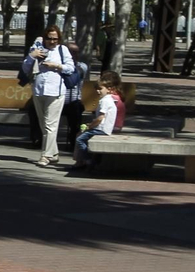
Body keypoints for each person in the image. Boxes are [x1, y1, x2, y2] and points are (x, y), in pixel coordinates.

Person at [25, 26, 74, 166]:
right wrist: (31, 56)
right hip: (39, 89)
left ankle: (46, 155)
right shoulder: (37, 49)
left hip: (56, 91)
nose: (52, 41)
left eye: (55, 39)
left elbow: (71, 67)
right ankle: (54, 153)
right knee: (43, 124)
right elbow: (25, 68)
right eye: (49, 38)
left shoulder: (62, 50)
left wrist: (57, 66)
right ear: (44, 38)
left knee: (50, 125)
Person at [72, 70, 126, 171]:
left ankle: (83, 161)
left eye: (100, 88)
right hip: (112, 126)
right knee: (82, 135)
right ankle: (85, 160)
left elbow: (101, 117)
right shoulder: (115, 97)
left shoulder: (107, 99)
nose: (98, 91)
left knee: (79, 137)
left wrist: (90, 125)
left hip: (108, 128)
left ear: (109, 88)